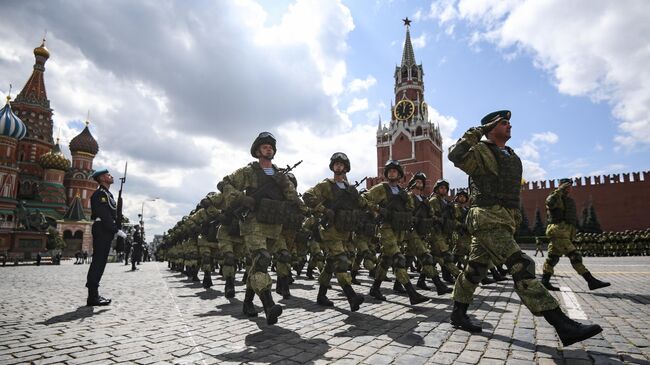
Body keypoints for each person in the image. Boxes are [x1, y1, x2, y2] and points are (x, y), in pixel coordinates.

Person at [447, 110, 602, 346]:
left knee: (475, 270)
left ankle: (458, 312)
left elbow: (511, 193)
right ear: (490, 127)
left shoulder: (512, 156)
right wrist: (478, 132)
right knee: (522, 265)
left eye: (510, 122)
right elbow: (455, 155)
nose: (510, 126)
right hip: (487, 218)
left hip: (504, 220)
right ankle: (562, 323)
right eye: (503, 123)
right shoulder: (479, 151)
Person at [220, 132, 304, 325]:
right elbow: (224, 183)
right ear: (257, 151)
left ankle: (248, 302)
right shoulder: (248, 171)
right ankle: (268, 306)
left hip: (274, 224)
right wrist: (242, 198)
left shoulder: (280, 175)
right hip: (253, 222)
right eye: (265, 146)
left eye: (271, 146)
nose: (269, 149)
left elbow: (293, 197)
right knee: (262, 259)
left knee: (256, 265)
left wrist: (303, 210)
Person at [302, 152, 366, 312]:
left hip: (344, 231)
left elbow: (362, 203)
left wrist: (377, 208)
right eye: (336, 164)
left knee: (330, 264)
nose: (338, 166)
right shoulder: (326, 185)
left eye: (341, 164)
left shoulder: (351, 189)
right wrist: (323, 209)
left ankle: (321, 295)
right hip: (330, 230)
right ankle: (351, 296)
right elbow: (307, 195)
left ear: (346, 167)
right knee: (341, 261)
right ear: (332, 167)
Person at [363, 160, 429, 305]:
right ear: (386, 174)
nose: (392, 173)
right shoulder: (381, 188)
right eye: (390, 171)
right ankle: (412, 293)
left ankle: (375, 288)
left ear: (399, 174)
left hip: (399, 230)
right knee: (399, 259)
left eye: (395, 171)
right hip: (386, 228)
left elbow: (410, 207)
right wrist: (379, 210)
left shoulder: (402, 192)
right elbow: (365, 199)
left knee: (386, 260)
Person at [541, 179, 610, 291]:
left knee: (552, 258)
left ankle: (545, 281)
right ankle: (591, 281)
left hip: (564, 232)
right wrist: (559, 190)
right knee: (575, 255)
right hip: (558, 232)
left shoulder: (568, 200)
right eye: (566, 186)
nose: (569, 188)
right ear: (560, 186)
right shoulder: (555, 197)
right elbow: (549, 202)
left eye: (569, 186)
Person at [405, 172, 452, 295]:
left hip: (422, 231)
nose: (419, 183)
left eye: (421, 182)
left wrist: (433, 219)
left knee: (408, 259)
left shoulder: (425, 200)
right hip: (411, 231)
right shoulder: (409, 196)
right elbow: (405, 213)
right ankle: (439, 285)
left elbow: (431, 214)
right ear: (412, 184)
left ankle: (399, 284)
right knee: (426, 257)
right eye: (417, 181)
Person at [86, 168, 126, 306]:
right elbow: (104, 215)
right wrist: (116, 230)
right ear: (102, 178)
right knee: (98, 262)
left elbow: (112, 214)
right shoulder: (99, 194)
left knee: (101, 262)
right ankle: (92, 296)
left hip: (105, 230)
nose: (111, 176)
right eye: (108, 175)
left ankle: (94, 294)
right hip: (102, 229)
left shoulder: (108, 194)